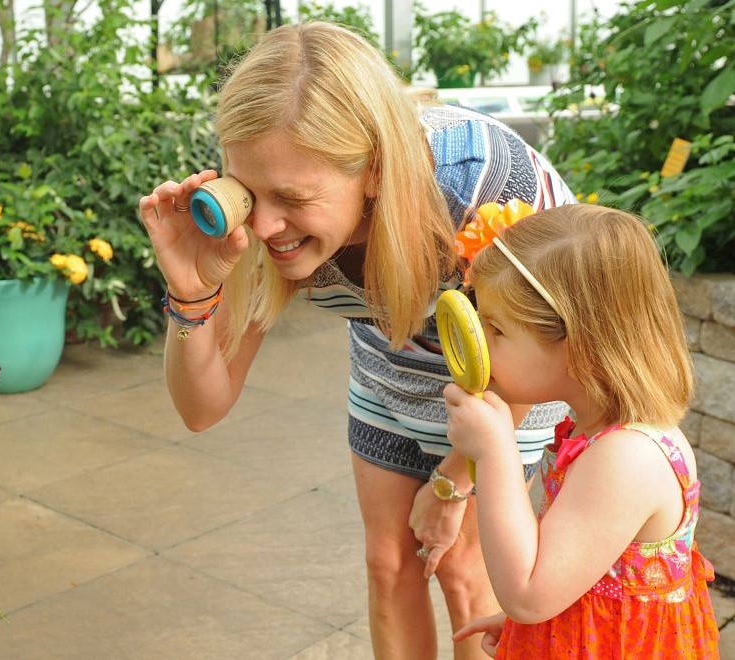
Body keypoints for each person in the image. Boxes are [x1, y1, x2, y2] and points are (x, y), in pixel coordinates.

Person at [139, 21, 575, 659]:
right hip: (391, 355)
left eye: (292, 198)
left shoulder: (483, 184)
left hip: (519, 368)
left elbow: (539, 353)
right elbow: (202, 407)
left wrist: (455, 481)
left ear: (373, 171)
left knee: (463, 566)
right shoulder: (258, 224)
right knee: (388, 563)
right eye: (248, 192)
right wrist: (191, 288)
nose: (263, 225)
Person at [446, 204, 720, 658]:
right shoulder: (596, 432)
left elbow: (528, 594)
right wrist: (548, 618)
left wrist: (496, 453)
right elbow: (575, 565)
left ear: (581, 349)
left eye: (495, 329)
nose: (481, 342)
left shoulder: (626, 458)